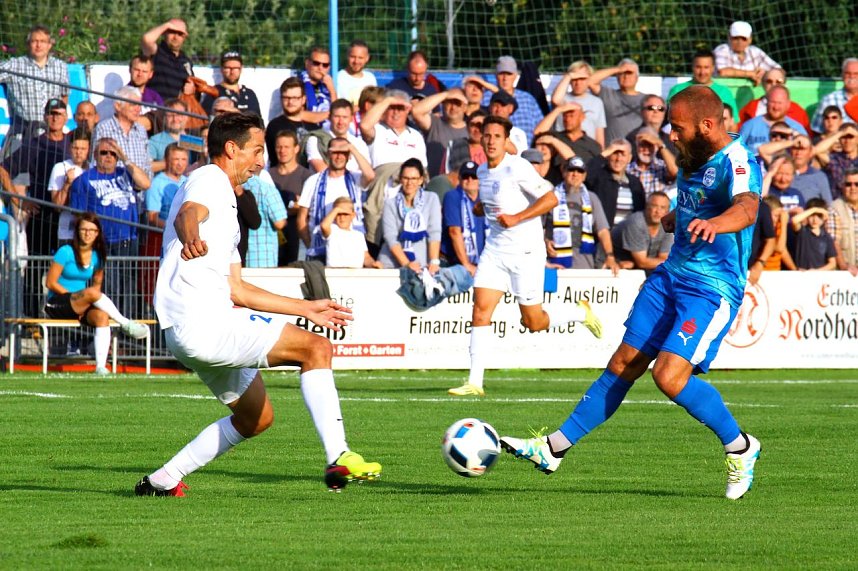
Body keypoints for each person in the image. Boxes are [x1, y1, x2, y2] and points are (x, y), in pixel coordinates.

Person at [500, 85, 763, 501]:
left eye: (677, 128)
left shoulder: (739, 159)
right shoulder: (692, 153)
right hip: (670, 276)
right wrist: (683, 215)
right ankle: (553, 449)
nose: (670, 136)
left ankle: (741, 447)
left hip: (712, 288)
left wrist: (717, 225)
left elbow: (747, 206)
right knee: (625, 361)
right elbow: (701, 198)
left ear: (707, 125)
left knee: (668, 376)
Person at [136, 111, 381, 497]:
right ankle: (340, 455)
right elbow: (188, 215)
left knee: (256, 418)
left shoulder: (228, 210)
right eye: (255, 150)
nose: (260, 160)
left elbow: (238, 290)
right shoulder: (210, 179)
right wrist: (190, 237)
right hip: (203, 322)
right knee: (316, 348)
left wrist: (306, 308)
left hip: (190, 330)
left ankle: (162, 480)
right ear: (231, 149)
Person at [447, 116, 602, 397]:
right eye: (487, 135)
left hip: (526, 252)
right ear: (481, 139)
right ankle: (475, 382)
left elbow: (552, 198)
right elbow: (491, 201)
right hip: (494, 251)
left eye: (497, 136)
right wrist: (483, 209)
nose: (491, 140)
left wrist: (517, 217)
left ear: (507, 141)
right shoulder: (482, 171)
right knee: (480, 310)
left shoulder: (517, 167)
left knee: (533, 322)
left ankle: (581, 313)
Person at [44, 213, 149, 375]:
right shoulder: (65, 251)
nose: (87, 233)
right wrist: (77, 296)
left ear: (97, 233)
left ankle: (100, 367)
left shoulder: (97, 256)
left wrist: (85, 299)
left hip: (81, 303)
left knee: (101, 316)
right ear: (77, 231)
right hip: (57, 303)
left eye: (92, 230)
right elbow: (50, 283)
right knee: (91, 293)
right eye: (84, 229)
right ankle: (125, 323)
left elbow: (96, 287)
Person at [70, 137, 151, 318]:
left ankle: (126, 335)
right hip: (104, 244)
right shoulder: (83, 180)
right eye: (103, 152)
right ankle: (109, 332)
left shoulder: (125, 173)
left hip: (129, 240)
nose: (108, 157)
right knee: (109, 290)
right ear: (95, 155)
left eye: (112, 153)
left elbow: (146, 184)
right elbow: (79, 216)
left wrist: (125, 158)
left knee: (129, 289)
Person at [2, 98, 71, 256]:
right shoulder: (32, 145)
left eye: (59, 114)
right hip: (42, 216)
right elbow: (3, 170)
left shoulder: (72, 143)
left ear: (66, 117)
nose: (55, 118)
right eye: (51, 114)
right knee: (36, 270)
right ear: (45, 117)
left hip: (68, 214)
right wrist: (19, 200)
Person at [298, 137, 374, 262]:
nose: (339, 157)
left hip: (350, 247)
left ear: (349, 156)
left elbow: (370, 175)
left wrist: (352, 149)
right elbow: (301, 218)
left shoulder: (355, 178)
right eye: (335, 152)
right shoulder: (313, 181)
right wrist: (310, 245)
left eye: (343, 153)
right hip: (319, 247)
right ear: (328, 154)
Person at [545, 156, 620, 272]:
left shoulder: (591, 198)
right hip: (553, 263)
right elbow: (537, 228)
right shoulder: (550, 196)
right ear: (564, 172)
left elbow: (602, 230)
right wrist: (544, 241)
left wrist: (610, 256)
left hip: (584, 265)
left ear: (584, 176)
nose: (575, 174)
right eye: (571, 170)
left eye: (580, 171)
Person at [0, 25, 69, 147]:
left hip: (51, 135)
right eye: (34, 41)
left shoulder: (60, 67)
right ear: (28, 44)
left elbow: (64, 97)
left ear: (49, 45)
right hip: (22, 135)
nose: (38, 45)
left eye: (42, 41)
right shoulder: (14, 65)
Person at [377, 159, 442, 272]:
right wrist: (406, 264)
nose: (409, 182)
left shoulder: (431, 199)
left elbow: (434, 232)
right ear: (400, 179)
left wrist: (434, 262)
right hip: (391, 263)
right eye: (406, 178)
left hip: (421, 264)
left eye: (414, 178)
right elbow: (390, 237)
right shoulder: (390, 203)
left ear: (421, 180)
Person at [475, 56, 545, 145]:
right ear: (496, 75)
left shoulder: (528, 99)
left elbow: (541, 125)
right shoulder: (485, 98)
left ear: (515, 76)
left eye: (509, 74)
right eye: (501, 74)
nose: (505, 78)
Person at [268, 130, 312, 265]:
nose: (282, 151)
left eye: (287, 147)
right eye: (279, 147)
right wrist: (294, 207)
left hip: (298, 237)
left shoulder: (307, 177)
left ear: (296, 148)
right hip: (273, 236)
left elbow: (309, 209)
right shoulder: (268, 176)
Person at [93, 86, 153, 178]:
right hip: (113, 187)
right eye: (133, 104)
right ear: (118, 106)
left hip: (138, 189)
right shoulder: (104, 128)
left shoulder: (141, 130)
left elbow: (147, 164)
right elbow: (96, 162)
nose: (138, 109)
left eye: (139, 105)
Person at [265, 77, 324, 168]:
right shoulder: (275, 126)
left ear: (303, 99)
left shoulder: (313, 127)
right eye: (286, 98)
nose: (290, 102)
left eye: (295, 98)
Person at [359, 89, 427, 168]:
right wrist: (388, 101)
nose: (396, 112)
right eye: (392, 107)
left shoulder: (416, 136)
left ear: (407, 110)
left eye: (400, 108)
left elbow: (423, 167)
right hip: (383, 179)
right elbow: (364, 126)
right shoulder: (378, 130)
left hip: (409, 179)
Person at [584, 58, 647, 143]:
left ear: (637, 77)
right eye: (622, 73)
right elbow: (588, 81)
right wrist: (618, 69)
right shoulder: (607, 94)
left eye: (630, 73)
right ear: (617, 77)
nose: (626, 76)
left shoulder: (647, 100)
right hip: (611, 151)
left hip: (637, 152)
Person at [441, 161, 487, 274]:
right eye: (466, 176)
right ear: (460, 179)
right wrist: (467, 265)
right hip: (454, 262)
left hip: (483, 263)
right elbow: (454, 232)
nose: (470, 180)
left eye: (474, 176)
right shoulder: (453, 196)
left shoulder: (486, 198)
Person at [585, 139, 646, 225]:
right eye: (615, 153)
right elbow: (584, 173)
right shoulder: (599, 177)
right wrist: (606, 152)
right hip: (603, 234)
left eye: (623, 155)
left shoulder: (634, 182)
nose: (618, 159)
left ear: (629, 158)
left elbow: (640, 212)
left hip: (627, 235)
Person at [611, 190, 674, 273]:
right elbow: (642, 262)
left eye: (662, 207)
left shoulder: (667, 225)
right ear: (647, 207)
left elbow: (664, 257)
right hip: (612, 264)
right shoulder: (636, 222)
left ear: (667, 211)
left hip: (636, 267)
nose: (658, 211)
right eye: (654, 206)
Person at [668, 50, 739, 123]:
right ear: (692, 67)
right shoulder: (678, 90)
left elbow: (733, 124)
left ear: (713, 68)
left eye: (706, 67)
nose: (702, 72)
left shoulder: (724, 92)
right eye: (698, 67)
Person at [48, 128, 91, 247]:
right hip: (67, 233)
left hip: (90, 232)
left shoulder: (94, 169)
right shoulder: (60, 168)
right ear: (70, 147)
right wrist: (67, 184)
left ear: (89, 150)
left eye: (83, 149)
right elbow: (57, 206)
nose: (79, 152)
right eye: (75, 148)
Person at [411, 88, 469, 177]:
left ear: (465, 107)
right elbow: (416, 111)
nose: (453, 107)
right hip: (435, 184)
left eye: (457, 103)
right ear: (443, 104)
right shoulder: (434, 123)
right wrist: (445, 95)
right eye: (449, 102)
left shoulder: (473, 129)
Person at [305, 99, 370, 174]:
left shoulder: (359, 143)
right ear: (329, 117)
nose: (340, 122)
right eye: (337, 117)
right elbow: (321, 169)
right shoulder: (315, 140)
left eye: (345, 117)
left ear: (351, 118)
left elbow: (367, 172)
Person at [550, 61, 606, 148]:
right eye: (575, 79)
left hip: (588, 149)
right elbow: (555, 100)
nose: (578, 83)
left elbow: (599, 133)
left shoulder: (597, 102)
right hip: (564, 147)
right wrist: (569, 76)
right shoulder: (564, 99)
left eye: (582, 79)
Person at [738, 85, 807, 154]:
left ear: (788, 104)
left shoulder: (797, 128)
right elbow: (736, 152)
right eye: (773, 102)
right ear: (766, 102)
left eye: (780, 103)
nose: (776, 107)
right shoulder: (750, 126)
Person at [738, 68, 810, 133]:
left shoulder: (797, 111)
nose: (774, 84)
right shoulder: (750, 108)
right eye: (769, 81)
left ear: (784, 84)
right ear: (763, 84)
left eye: (778, 82)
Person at [140, 19, 194, 100]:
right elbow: (147, 39)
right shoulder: (156, 52)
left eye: (180, 34)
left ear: (184, 37)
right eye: (172, 31)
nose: (175, 37)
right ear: (164, 32)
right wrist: (166, 25)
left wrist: (191, 90)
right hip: (155, 107)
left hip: (176, 110)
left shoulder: (186, 61)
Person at [321, 197, 381, 269]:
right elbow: (324, 226)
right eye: (338, 214)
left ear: (353, 215)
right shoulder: (332, 230)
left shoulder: (359, 235)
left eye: (345, 214)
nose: (342, 218)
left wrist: (373, 264)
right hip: (335, 273)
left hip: (355, 274)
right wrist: (336, 210)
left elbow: (366, 257)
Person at [713, 21, 780, 86]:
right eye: (736, 38)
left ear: (750, 39)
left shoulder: (755, 51)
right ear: (729, 37)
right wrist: (751, 74)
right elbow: (723, 72)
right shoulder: (722, 50)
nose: (739, 42)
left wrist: (765, 74)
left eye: (743, 39)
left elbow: (780, 70)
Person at [244, 172, 288, 268]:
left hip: (238, 257)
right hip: (263, 256)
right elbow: (279, 223)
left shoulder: (229, 186)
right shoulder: (265, 188)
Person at [535, 102, 602, 164]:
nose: (567, 119)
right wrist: (558, 110)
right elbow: (538, 133)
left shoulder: (593, 145)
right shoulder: (555, 137)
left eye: (571, 116)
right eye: (565, 116)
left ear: (582, 117)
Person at [200, 50, 261, 116]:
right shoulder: (213, 92)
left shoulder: (250, 93)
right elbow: (205, 121)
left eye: (235, 68)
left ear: (241, 69)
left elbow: (259, 122)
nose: (232, 72)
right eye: (228, 68)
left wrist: (235, 112)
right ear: (221, 69)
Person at [626, 127, 678, 197]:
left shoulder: (661, 167)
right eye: (642, 145)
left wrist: (660, 144)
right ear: (637, 146)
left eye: (650, 145)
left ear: (656, 147)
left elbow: (675, 171)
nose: (646, 149)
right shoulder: (627, 168)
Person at [810, 58, 858, 134]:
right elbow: (816, 130)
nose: (852, 76)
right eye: (847, 73)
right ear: (842, 75)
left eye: (856, 74)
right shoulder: (828, 100)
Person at [789, 198, 837, 271]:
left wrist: (816, 271)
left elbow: (832, 263)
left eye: (819, 216)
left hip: (819, 277)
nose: (815, 220)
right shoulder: (802, 231)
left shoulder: (826, 237)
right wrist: (814, 209)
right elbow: (794, 220)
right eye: (812, 216)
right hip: (801, 275)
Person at [827, 169, 858, 275]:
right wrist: (844, 267)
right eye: (848, 184)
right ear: (843, 186)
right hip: (844, 274)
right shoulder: (834, 208)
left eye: (857, 184)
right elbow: (833, 242)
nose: (853, 188)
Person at [147, 98, 190, 173]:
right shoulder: (155, 140)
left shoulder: (194, 141)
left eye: (179, 114)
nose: (175, 119)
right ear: (164, 118)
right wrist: (169, 163)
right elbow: (146, 166)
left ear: (187, 117)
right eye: (170, 115)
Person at [336, 40, 377, 106]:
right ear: (347, 56)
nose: (356, 61)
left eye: (360, 58)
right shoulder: (338, 78)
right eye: (353, 57)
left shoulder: (370, 78)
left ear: (367, 58)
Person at [301, 46, 337, 114]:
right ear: (307, 63)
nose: (320, 68)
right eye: (316, 63)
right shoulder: (297, 84)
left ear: (329, 68)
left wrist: (332, 90)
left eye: (325, 65)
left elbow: (336, 113)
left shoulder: (328, 86)